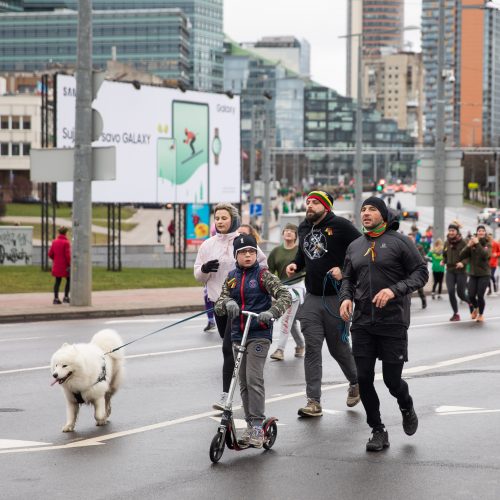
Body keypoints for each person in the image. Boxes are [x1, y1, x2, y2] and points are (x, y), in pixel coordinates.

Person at [339, 197, 428, 452]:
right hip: (363, 322)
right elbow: (347, 277)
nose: (366, 213)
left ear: (384, 215)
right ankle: (377, 430)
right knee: (363, 378)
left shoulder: (400, 242)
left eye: (372, 209)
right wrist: (345, 298)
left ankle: (406, 404)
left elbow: (421, 273)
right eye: (363, 209)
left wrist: (394, 290)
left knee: (391, 380)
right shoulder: (355, 246)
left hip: (393, 322)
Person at [286, 190, 361, 417]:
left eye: (315, 203)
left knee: (338, 349)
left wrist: (344, 270)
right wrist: (295, 264)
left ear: (326, 207)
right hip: (312, 298)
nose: (309, 206)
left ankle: (355, 382)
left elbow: (362, 250)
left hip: (337, 298)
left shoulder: (341, 225)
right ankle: (313, 401)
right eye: (308, 202)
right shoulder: (303, 227)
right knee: (312, 349)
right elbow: (304, 252)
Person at [215, 234, 291, 448]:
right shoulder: (231, 277)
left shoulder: (263, 275)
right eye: (243, 253)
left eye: (251, 252)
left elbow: (285, 295)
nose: (248, 256)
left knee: (253, 378)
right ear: (236, 255)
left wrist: (272, 311)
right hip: (238, 334)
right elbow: (220, 302)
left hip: (258, 333)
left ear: (256, 254)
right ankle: (250, 424)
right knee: (243, 383)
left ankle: (257, 425)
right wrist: (228, 302)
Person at [194, 203, 267, 410]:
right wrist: (205, 270)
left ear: (232, 219)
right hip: (219, 304)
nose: (219, 222)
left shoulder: (242, 241)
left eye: (224, 218)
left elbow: (262, 264)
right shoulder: (207, 244)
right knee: (232, 350)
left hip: (240, 304)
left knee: (228, 348)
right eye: (217, 218)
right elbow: (198, 274)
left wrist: (246, 272)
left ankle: (226, 396)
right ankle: (240, 386)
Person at [267, 223, 306, 360]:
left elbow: (307, 268)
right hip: (282, 288)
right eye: (286, 230)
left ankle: (280, 350)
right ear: (283, 234)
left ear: (296, 236)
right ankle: (301, 345)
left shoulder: (300, 251)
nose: (288, 233)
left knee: (286, 318)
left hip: (297, 288)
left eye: (292, 231)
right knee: (292, 319)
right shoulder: (276, 251)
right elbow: (269, 272)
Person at [460, 225, 491, 322]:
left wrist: (477, 244)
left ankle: (481, 314)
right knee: (471, 295)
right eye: (479, 231)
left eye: (483, 231)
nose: (481, 232)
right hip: (473, 274)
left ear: (485, 233)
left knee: (480, 295)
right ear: (477, 232)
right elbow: (462, 255)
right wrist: (468, 246)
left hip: (484, 274)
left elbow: (485, 256)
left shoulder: (487, 244)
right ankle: (475, 308)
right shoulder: (472, 243)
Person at [442, 222, 469, 321]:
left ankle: (471, 303)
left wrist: (463, 263)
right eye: (449, 230)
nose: (451, 232)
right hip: (450, 270)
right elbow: (444, 254)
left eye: (453, 230)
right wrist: (443, 260)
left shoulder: (463, 242)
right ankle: (456, 313)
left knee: (461, 294)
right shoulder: (446, 242)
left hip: (461, 271)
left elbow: (469, 256)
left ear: (457, 232)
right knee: (451, 291)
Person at [48, 226, 71, 305]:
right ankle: (66, 297)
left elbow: (50, 254)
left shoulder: (54, 242)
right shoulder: (66, 243)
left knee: (57, 281)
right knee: (69, 280)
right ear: (65, 233)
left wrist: (55, 259)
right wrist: (70, 264)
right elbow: (67, 256)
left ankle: (56, 298)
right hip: (65, 266)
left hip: (57, 265)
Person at [407, 233, 427, 309]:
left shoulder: (419, 247)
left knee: (419, 288)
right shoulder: (404, 246)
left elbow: (423, 258)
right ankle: (408, 302)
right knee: (408, 287)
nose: (410, 239)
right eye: (408, 238)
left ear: (414, 239)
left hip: (417, 270)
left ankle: (423, 300)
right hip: (408, 270)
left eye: (411, 238)